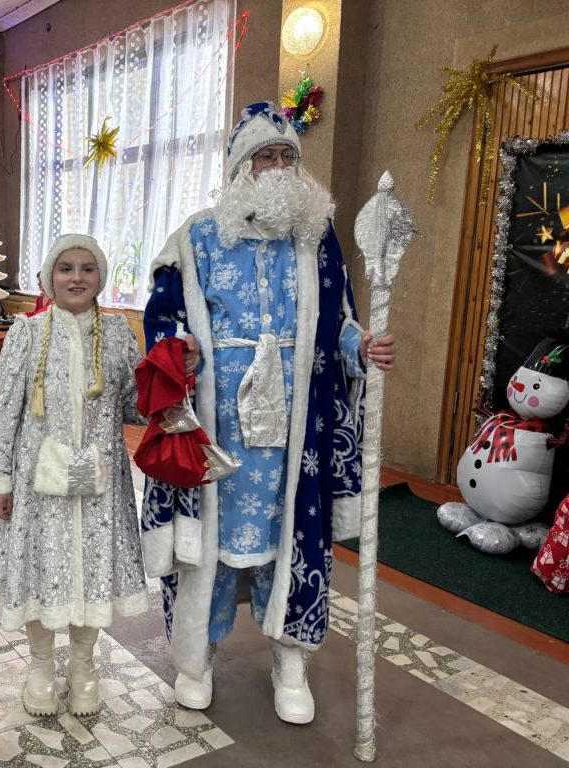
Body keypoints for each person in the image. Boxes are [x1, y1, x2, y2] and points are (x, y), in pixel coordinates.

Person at [141, 102, 396, 723]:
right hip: (217, 425)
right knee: (209, 542)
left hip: (293, 428)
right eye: (266, 156)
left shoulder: (316, 239)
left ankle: (289, 659)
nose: (279, 166)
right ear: (239, 167)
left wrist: (361, 348)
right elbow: (162, 318)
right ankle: (197, 655)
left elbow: (338, 323)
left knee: (292, 536)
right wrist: (180, 349)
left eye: (288, 156)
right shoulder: (197, 237)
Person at [0, 234, 148, 717]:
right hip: (38, 486)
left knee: (90, 571)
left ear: (100, 277)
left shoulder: (117, 334)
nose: (77, 277)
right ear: (50, 276)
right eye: (66, 268)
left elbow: (135, 407)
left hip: (99, 484)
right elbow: (5, 413)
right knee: (41, 569)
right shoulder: (27, 334)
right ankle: (39, 665)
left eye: (87, 268)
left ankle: (82, 666)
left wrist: (174, 377)